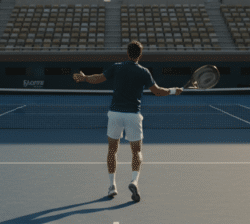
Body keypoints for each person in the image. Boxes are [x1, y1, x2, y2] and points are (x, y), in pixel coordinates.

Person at [72, 40, 183, 202]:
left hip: (115, 114)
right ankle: (134, 181)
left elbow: (98, 78)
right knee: (136, 151)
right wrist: (174, 91)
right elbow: (158, 91)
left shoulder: (117, 67)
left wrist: (84, 78)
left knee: (112, 150)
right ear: (140, 54)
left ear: (127, 53)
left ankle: (112, 186)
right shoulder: (144, 72)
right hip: (133, 116)